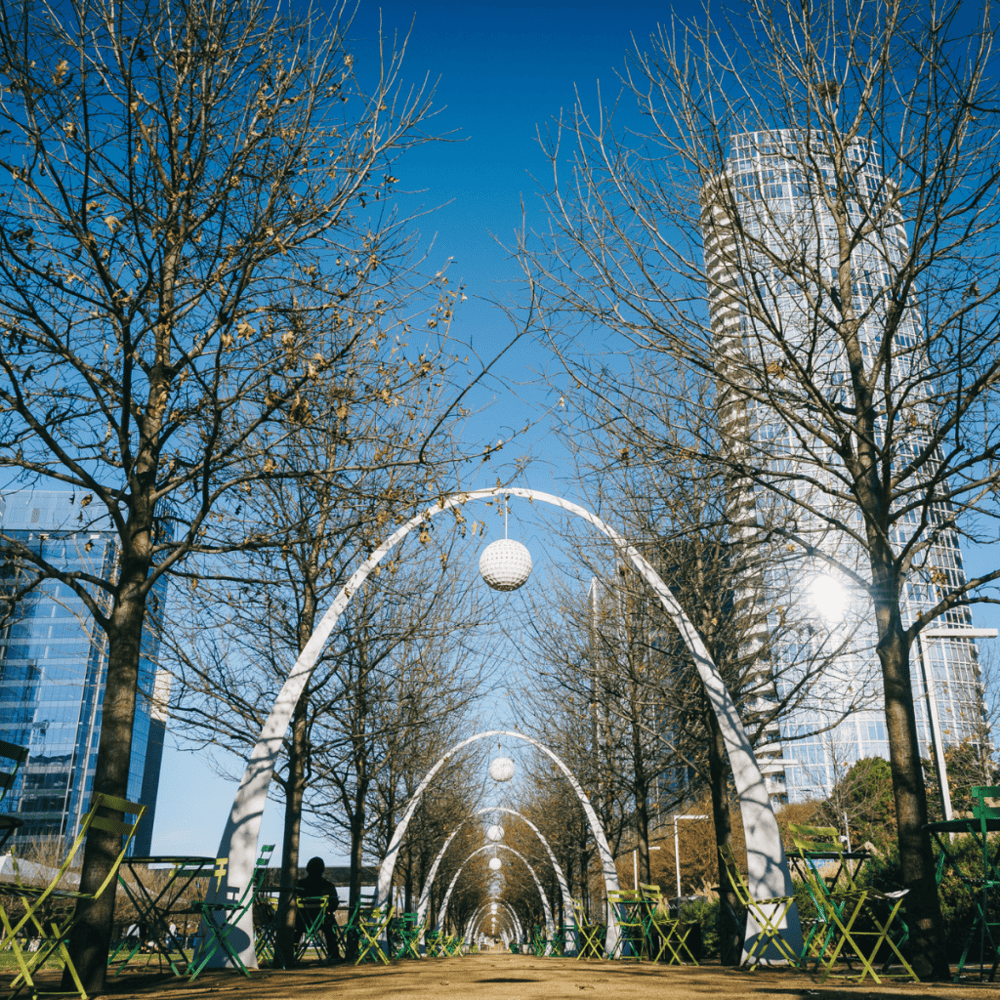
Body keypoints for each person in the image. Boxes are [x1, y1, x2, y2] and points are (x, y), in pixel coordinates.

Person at [295, 857, 340, 963]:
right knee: (331, 925)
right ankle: (333, 954)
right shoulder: (328, 886)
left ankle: (293, 950)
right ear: (323, 870)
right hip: (322, 922)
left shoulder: (299, 885)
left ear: (307, 869)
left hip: (302, 922)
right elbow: (334, 906)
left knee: (295, 929)